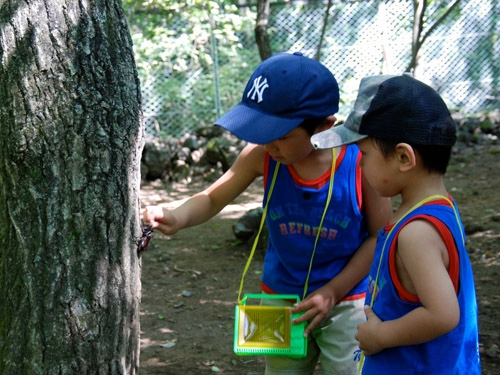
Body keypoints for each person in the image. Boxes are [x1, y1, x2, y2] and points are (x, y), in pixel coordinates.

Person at [143, 52, 392, 375]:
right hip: (280, 300)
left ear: (324, 125)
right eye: (262, 134)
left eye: (282, 136)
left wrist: (332, 292)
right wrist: (176, 216)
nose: (270, 145)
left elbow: (379, 236)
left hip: (347, 301)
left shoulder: (359, 163)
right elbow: (211, 198)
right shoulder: (262, 156)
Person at [311, 74, 481, 374]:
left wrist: (379, 336)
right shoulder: (440, 207)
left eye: (363, 155)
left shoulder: (416, 232)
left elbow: (443, 314)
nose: (359, 165)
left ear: (403, 157)